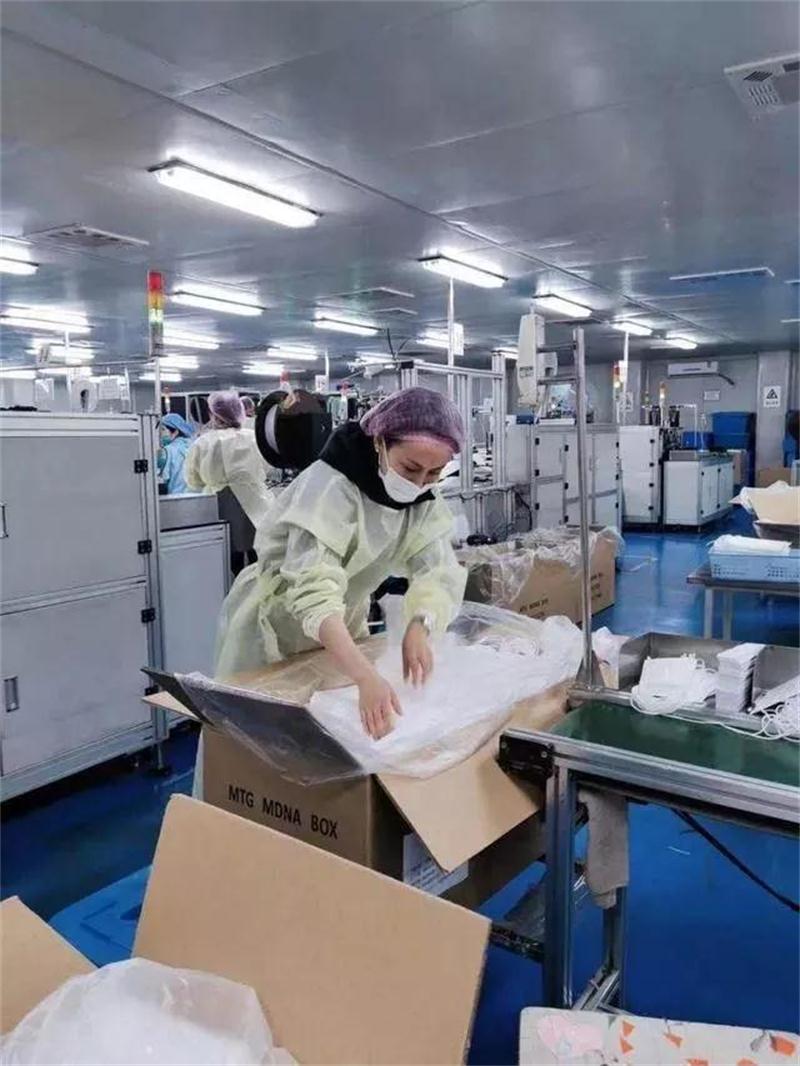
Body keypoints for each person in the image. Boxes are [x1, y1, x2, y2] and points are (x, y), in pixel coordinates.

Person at [215, 386, 467, 740]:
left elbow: (438, 570)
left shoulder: (423, 499)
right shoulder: (330, 486)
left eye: (434, 473)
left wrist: (420, 624)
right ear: (379, 442)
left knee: (336, 738)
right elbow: (313, 594)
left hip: (342, 624)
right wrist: (364, 676)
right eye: (410, 468)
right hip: (278, 626)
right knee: (259, 740)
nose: (419, 484)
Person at [185, 390, 275, 571]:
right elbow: (268, 467)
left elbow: (193, 479)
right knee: (259, 557)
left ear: (213, 414)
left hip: (217, 504)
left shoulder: (203, 443)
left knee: (226, 560)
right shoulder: (253, 437)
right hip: (255, 502)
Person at [159, 413, 195, 495]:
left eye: (163, 430)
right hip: (197, 497)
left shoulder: (168, 450)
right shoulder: (194, 445)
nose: (160, 434)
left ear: (175, 432)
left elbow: (163, 479)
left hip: (175, 498)